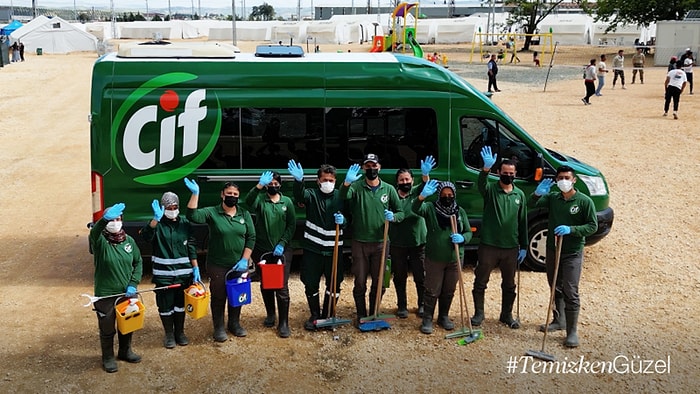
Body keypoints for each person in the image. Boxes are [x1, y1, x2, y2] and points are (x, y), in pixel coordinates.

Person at [530, 166, 597, 348]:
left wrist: (572, 230)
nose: (563, 181)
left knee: (570, 289)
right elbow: (531, 205)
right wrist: (536, 194)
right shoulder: (553, 198)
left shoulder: (584, 202)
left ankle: (572, 331)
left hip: (572, 252)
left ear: (574, 180)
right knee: (554, 285)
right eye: (560, 178)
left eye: (567, 177)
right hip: (553, 249)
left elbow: (592, 226)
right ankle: (558, 320)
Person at [185, 179, 256, 342]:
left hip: (238, 264)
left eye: (235, 194)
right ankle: (218, 327)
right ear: (222, 195)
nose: (232, 197)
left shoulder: (244, 214)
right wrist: (195, 194)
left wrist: (245, 259)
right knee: (218, 296)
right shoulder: (212, 212)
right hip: (217, 264)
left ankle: (234, 324)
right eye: (229, 194)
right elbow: (192, 215)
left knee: (237, 294)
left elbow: (251, 237)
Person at [340, 153, 404, 323]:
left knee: (380, 282)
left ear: (379, 167)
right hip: (359, 242)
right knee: (360, 281)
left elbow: (401, 212)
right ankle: (361, 314)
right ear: (363, 168)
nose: (371, 169)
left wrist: (394, 217)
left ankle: (374, 311)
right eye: (368, 166)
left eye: (374, 166)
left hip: (381, 243)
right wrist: (346, 183)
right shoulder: (356, 187)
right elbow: (343, 196)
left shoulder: (389, 189)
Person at [470, 147, 527, 329]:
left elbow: (523, 221)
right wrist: (485, 169)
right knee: (481, 280)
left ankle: (506, 314)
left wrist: (524, 246)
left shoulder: (519, 195)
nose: (508, 175)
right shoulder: (490, 190)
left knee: (509, 284)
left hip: (511, 247)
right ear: (498, 173)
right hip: (489, 245)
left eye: (511, 173)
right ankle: (479, 314)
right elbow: (481, 183)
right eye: (504, 173)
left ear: (515, 174)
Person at [288, 161, 347, 330]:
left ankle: (329, 314)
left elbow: (350, 217)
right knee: (310, 281)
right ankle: (315, 314)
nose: (328, 183)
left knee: (335, 283)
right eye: (324, 180)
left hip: (334, 250)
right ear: (318, 181)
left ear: (335, 181)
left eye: (331, 180)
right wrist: (299, 181)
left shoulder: (340, 196)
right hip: (313, 249)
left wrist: (343, 222)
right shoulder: (311, 195)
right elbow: (299, 197)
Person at [412, 179, 472, 334]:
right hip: (435, 258)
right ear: (439, 195)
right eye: (444, 194)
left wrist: (463, 238)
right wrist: (422, 196)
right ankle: (427, 319)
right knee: (432, 289)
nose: (447, 197)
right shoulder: (431, 209)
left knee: (449, 289)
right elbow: (415, 208)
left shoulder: (459, 211)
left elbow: (468, 232)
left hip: (455, 258)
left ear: (454, 195)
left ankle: (443, 316)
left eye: (450, 194)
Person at [88, 203, 143, 373]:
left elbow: (138, 262)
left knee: (128, 323)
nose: (115, 222)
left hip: (127, 293)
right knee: (107, 327)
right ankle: (108, 357)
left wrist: (133, 284)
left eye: (118, 219)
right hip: (106, 294)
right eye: (112, 219)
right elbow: (94, 233)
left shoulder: (129, 241)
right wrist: (104, 219)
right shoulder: (100, 242)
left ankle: (125, 351)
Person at [141, 192, 198, 349]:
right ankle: (169, 334)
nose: (172, 209)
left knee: (180, 305)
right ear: (163, 208)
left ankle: (180, 333)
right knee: (165, 306)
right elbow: (145, 237)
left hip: (183, 275)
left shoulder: (185, 223)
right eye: (168, 207)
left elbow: (191, 245)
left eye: (174, 207)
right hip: (163, 277)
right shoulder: (157, 224)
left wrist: (195, 267)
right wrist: (154, 220)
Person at [244, 171, 295, 338]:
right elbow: (248, 202)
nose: (273, 186)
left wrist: (282, 243)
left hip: (283, 250)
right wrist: (258, 185)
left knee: (281, 285)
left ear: (280, 184)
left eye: (275, 183)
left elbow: (291, 225)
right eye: (270, 184)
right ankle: (271, 314)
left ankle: (284, 322)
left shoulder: (287, 202)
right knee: (266, 283)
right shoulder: (261, 200)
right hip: (262, 249)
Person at [389, 156, 435, 318]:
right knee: (399, 276)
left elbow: (425, 186)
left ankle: (422, 304)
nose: (404, 182)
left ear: (412, 180)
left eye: (407, 179)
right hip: (397, 242)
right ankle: (402, 305)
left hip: (418, 241)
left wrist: (425, 175)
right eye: (401, 180)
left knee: (420, 275)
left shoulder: (416, 191)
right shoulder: (392, 195)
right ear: (397, 182)